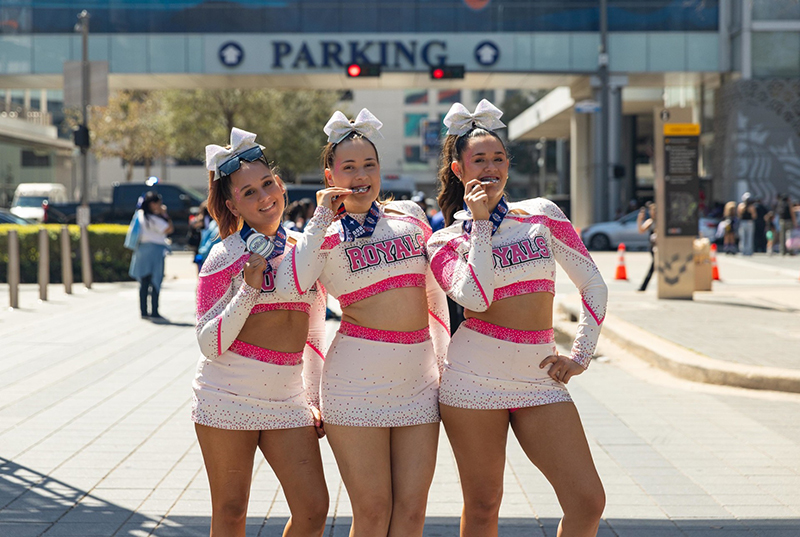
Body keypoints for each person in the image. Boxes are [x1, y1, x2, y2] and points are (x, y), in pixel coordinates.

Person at [426, 100, 608, 536]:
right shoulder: (444, 241)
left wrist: (580, 355)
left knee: (588, 500)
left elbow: (594, 285)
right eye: (479, 160)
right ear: (458, 168)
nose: (491, 168)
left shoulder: (541, 214)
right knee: (485, 505)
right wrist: (482, 223)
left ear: (508, 163)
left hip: (539, 377)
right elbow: (476, 296)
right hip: (472, 378)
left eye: (498, 158)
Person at [275, 109, 450, 536]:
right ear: (329, 172)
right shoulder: (319, 237)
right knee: (372, 512)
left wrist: (445, 369)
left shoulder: (410, 215)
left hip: (419, 382)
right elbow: (303, 301)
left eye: (368, 165)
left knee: (411, 513)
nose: (360, 175)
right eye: (348, 166)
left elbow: (434, 297)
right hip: (355, 385)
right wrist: (311, 395)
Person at [193, 127, 328, 537]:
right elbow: (208, 342)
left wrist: (313, 397)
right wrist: (248, 291)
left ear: (281, 185)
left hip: (287, 399)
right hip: (226, 394)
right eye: (248, 192)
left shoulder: (306, 248)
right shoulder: (224, 254)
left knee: (314, 508)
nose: (263, 196)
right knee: (231, 512)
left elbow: (315, 332)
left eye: (267, 183)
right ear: (233, 203)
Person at [128, 191, 173, 319]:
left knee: (143, 282)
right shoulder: (154, 219)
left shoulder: (139, 216)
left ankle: (143, 311)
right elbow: (169, 229)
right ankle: (154, 311)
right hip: (156, 252)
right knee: (155, 282)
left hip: (141, 251)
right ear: (153, 204)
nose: (160, 206)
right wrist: (164, 214)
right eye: (159, 203)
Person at [636, 201, 656, 292]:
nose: (652, 212)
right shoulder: (650, 221)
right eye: (651, 210)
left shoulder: (660, 221)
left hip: (659, 248)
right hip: (653, 247)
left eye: (654, 210)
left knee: (654, 267)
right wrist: (640, 219)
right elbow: (641, 230)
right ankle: (643, 286)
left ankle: (643, 286)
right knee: (654, 266)